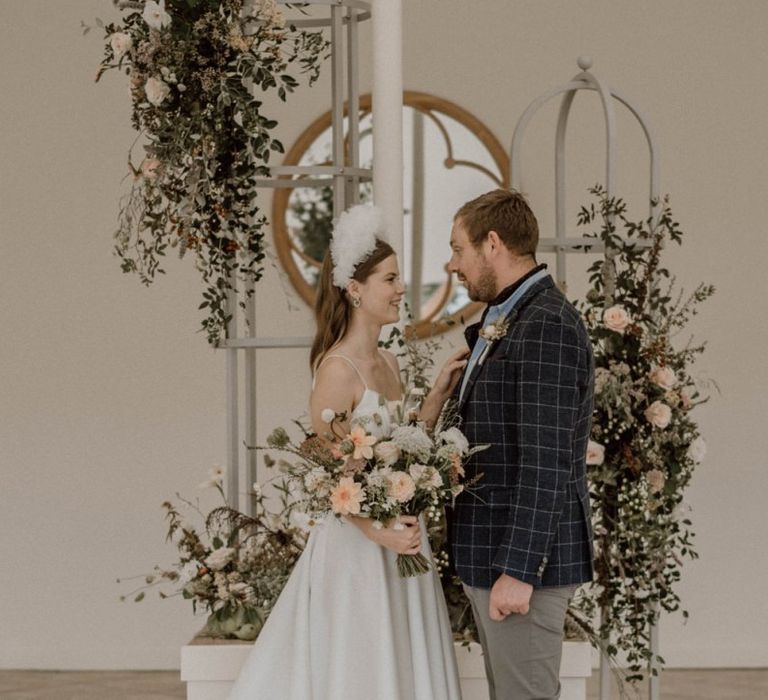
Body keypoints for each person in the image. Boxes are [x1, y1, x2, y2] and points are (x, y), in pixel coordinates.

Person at [228, 204, 468, 700]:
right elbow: (325, 479)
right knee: (361, 669)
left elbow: (408, 446)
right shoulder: (337, 369)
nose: (401, 289)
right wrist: (377, 533)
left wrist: (437, 396)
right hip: (359, 551)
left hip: (400, 540)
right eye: (390, 279)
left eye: (399, 278)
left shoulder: (389, 361)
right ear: (355, 289)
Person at [447, 189, 595, 700]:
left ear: (493, 244)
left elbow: (547, 460)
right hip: (493, 556)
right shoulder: (509, 314)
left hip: (522, 565)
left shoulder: (545, 324)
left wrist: (519, 569)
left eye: (458, 249)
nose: (452, 265)